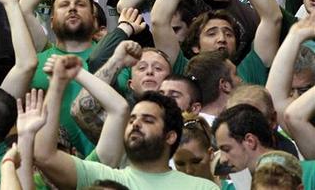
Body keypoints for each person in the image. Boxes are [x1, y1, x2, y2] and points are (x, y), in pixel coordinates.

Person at [35, 55, 220, 190]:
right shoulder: (105, 180)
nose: (136, 124)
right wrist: (57, 84)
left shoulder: (202, 188)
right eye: (132, 120)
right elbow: (45, 156)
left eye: (148, 120)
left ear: (170, 136)